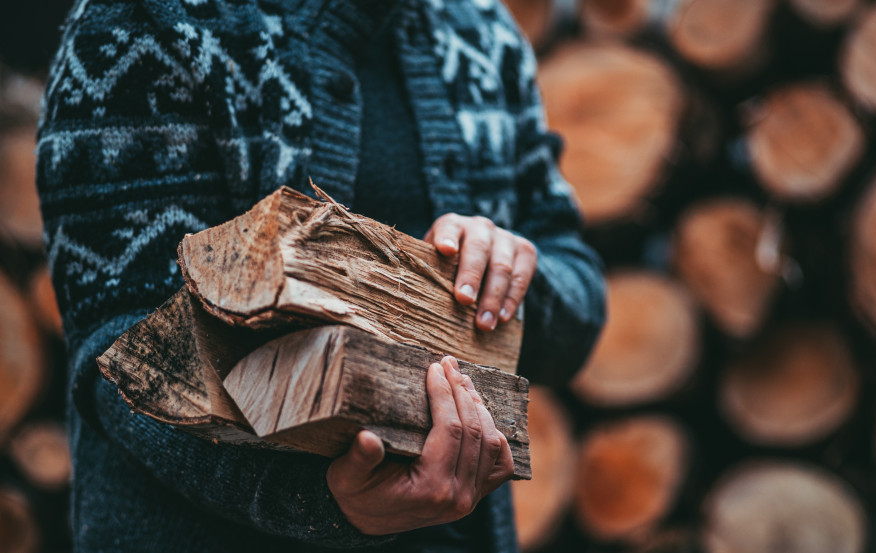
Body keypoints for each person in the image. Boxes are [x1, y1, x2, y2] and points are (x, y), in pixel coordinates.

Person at [36, 0, 606, 551]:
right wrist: (322, 503)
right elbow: (121, 357)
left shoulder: (483, 29)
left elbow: (577, 292)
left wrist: (513, 276)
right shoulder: (146, 19)